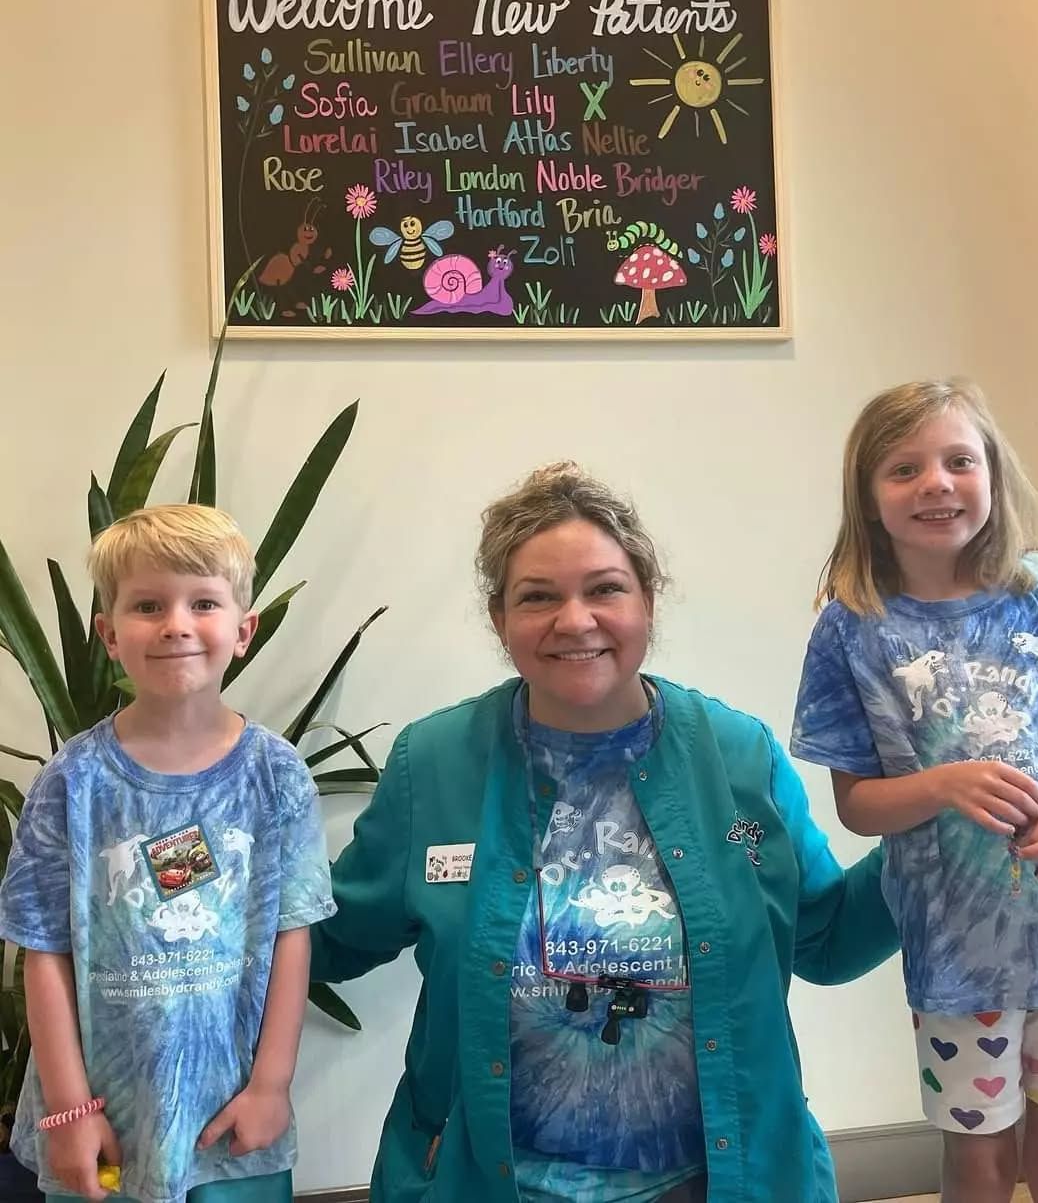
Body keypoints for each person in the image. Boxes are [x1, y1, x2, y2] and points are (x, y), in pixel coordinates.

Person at [310, 461, 898, 1203]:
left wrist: (932, 834)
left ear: (648, 601)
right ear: (499, 619)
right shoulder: (433, 764)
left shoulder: (739, 754)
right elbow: (335, 933)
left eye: (605, 588)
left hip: (717, 1182)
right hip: (488, 1181)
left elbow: (826, 937)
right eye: (538, 596)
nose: (575, 619)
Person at [790, 379, 1038, 1203]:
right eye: (905, 468)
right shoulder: (853, 624)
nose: (937, 483)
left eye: (959, 460)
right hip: (958, 949)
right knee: (980, 1157)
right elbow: (857, 804)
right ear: (868, 496)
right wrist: (943, 784)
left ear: (993, 473)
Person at [0, 505, 335, 1203]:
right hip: (106, 1120)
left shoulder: (277, 775)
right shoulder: (73, 781)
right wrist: (69, 1110)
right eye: (147, 604)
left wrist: (272, 1084)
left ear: (244, 631)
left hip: (234, 1123)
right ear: (108, 635)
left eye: (203, 602)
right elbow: (43, 950)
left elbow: (291, 935)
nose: (176, 623)